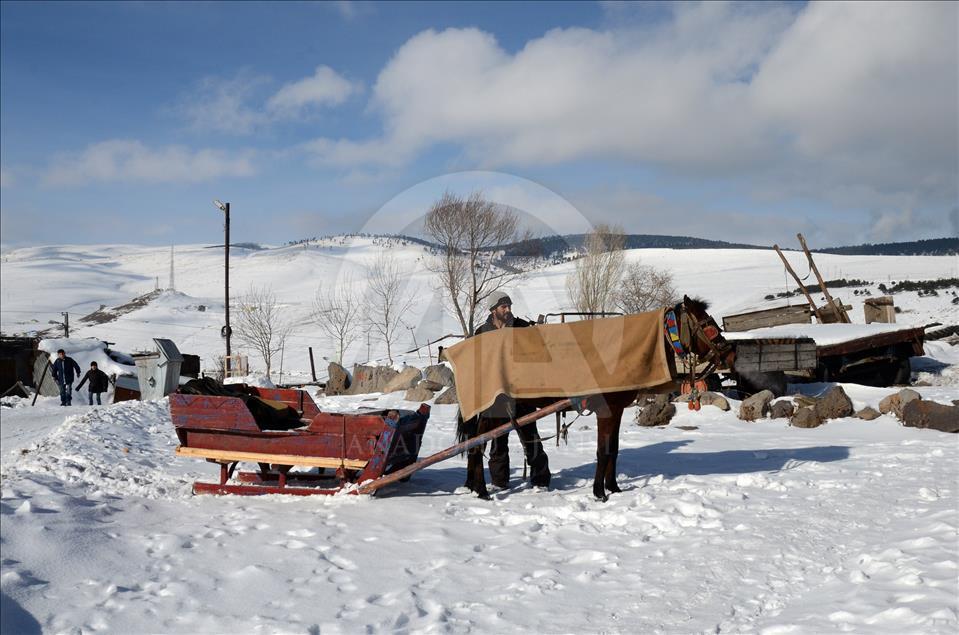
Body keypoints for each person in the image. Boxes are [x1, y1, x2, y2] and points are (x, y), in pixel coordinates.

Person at [472, 290, 551, 488]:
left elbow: (538, 354)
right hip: (496, 395)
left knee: (531, 438)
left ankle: (541, 481)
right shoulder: (482, 332)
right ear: (493, 310)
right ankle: (499, 482)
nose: (507, 309)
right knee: (498, 441)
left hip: (521, 394)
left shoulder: (522, 327)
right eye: (503, 306)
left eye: (509, 306)